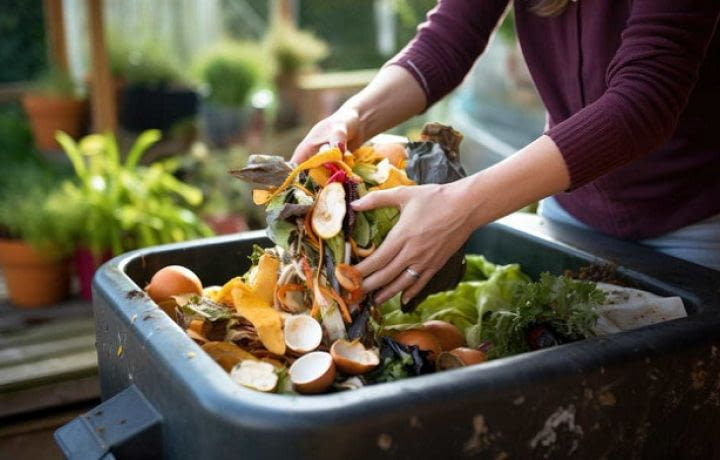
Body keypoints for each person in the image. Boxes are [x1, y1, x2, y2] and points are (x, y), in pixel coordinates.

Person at [291, 0, 720, 306]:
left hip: (690, 229)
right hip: (571, 218)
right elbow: (445, 43)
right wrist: (351, 119)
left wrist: (462, 206)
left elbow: (643, 104)